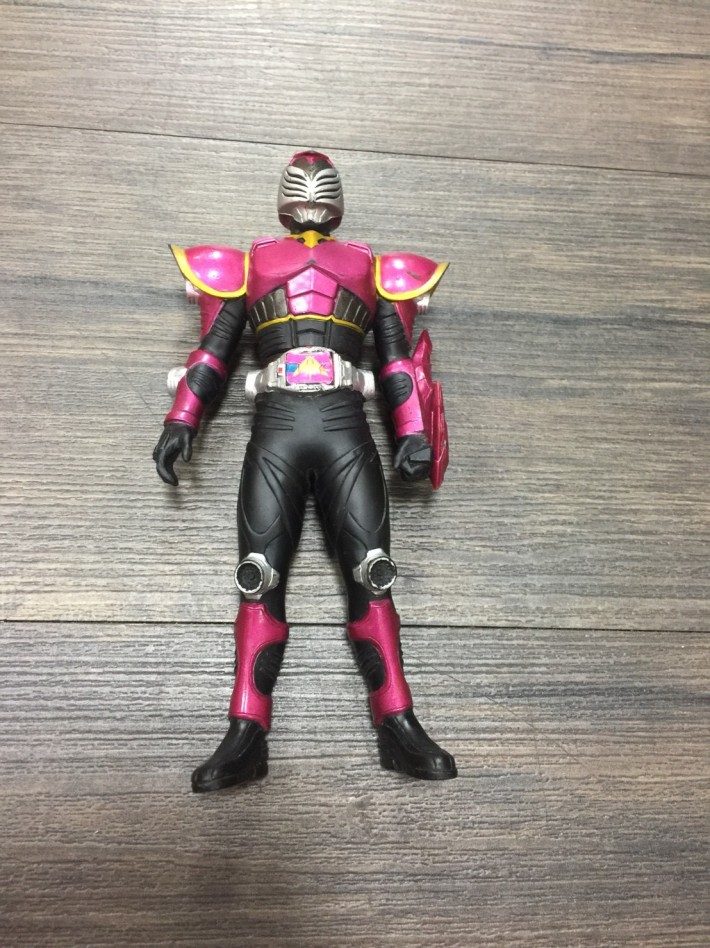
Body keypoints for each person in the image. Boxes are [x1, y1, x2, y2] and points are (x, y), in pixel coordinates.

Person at [154, 150, 457, 791]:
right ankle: (246, 730)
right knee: (258, 578)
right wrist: (182, 418)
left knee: (373, 575)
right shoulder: (251, 265)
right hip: (279, 428)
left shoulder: (370, 269)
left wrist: (411, 432)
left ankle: (398, 722)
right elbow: (214, 353)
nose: (312, 195)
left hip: (343, 427)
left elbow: (396, 361)